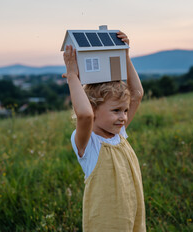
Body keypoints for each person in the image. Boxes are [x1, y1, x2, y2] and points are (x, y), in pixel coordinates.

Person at [62, 31, 146, 232]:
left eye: (125, 111)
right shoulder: (89, 143)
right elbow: (84, 115)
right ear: (93, 108)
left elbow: (137, 94)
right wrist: (72, 76)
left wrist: (124, 56)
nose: (124, 117)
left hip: (131, 214)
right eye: (116, 111)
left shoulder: (119, 134)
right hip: (105, 223)